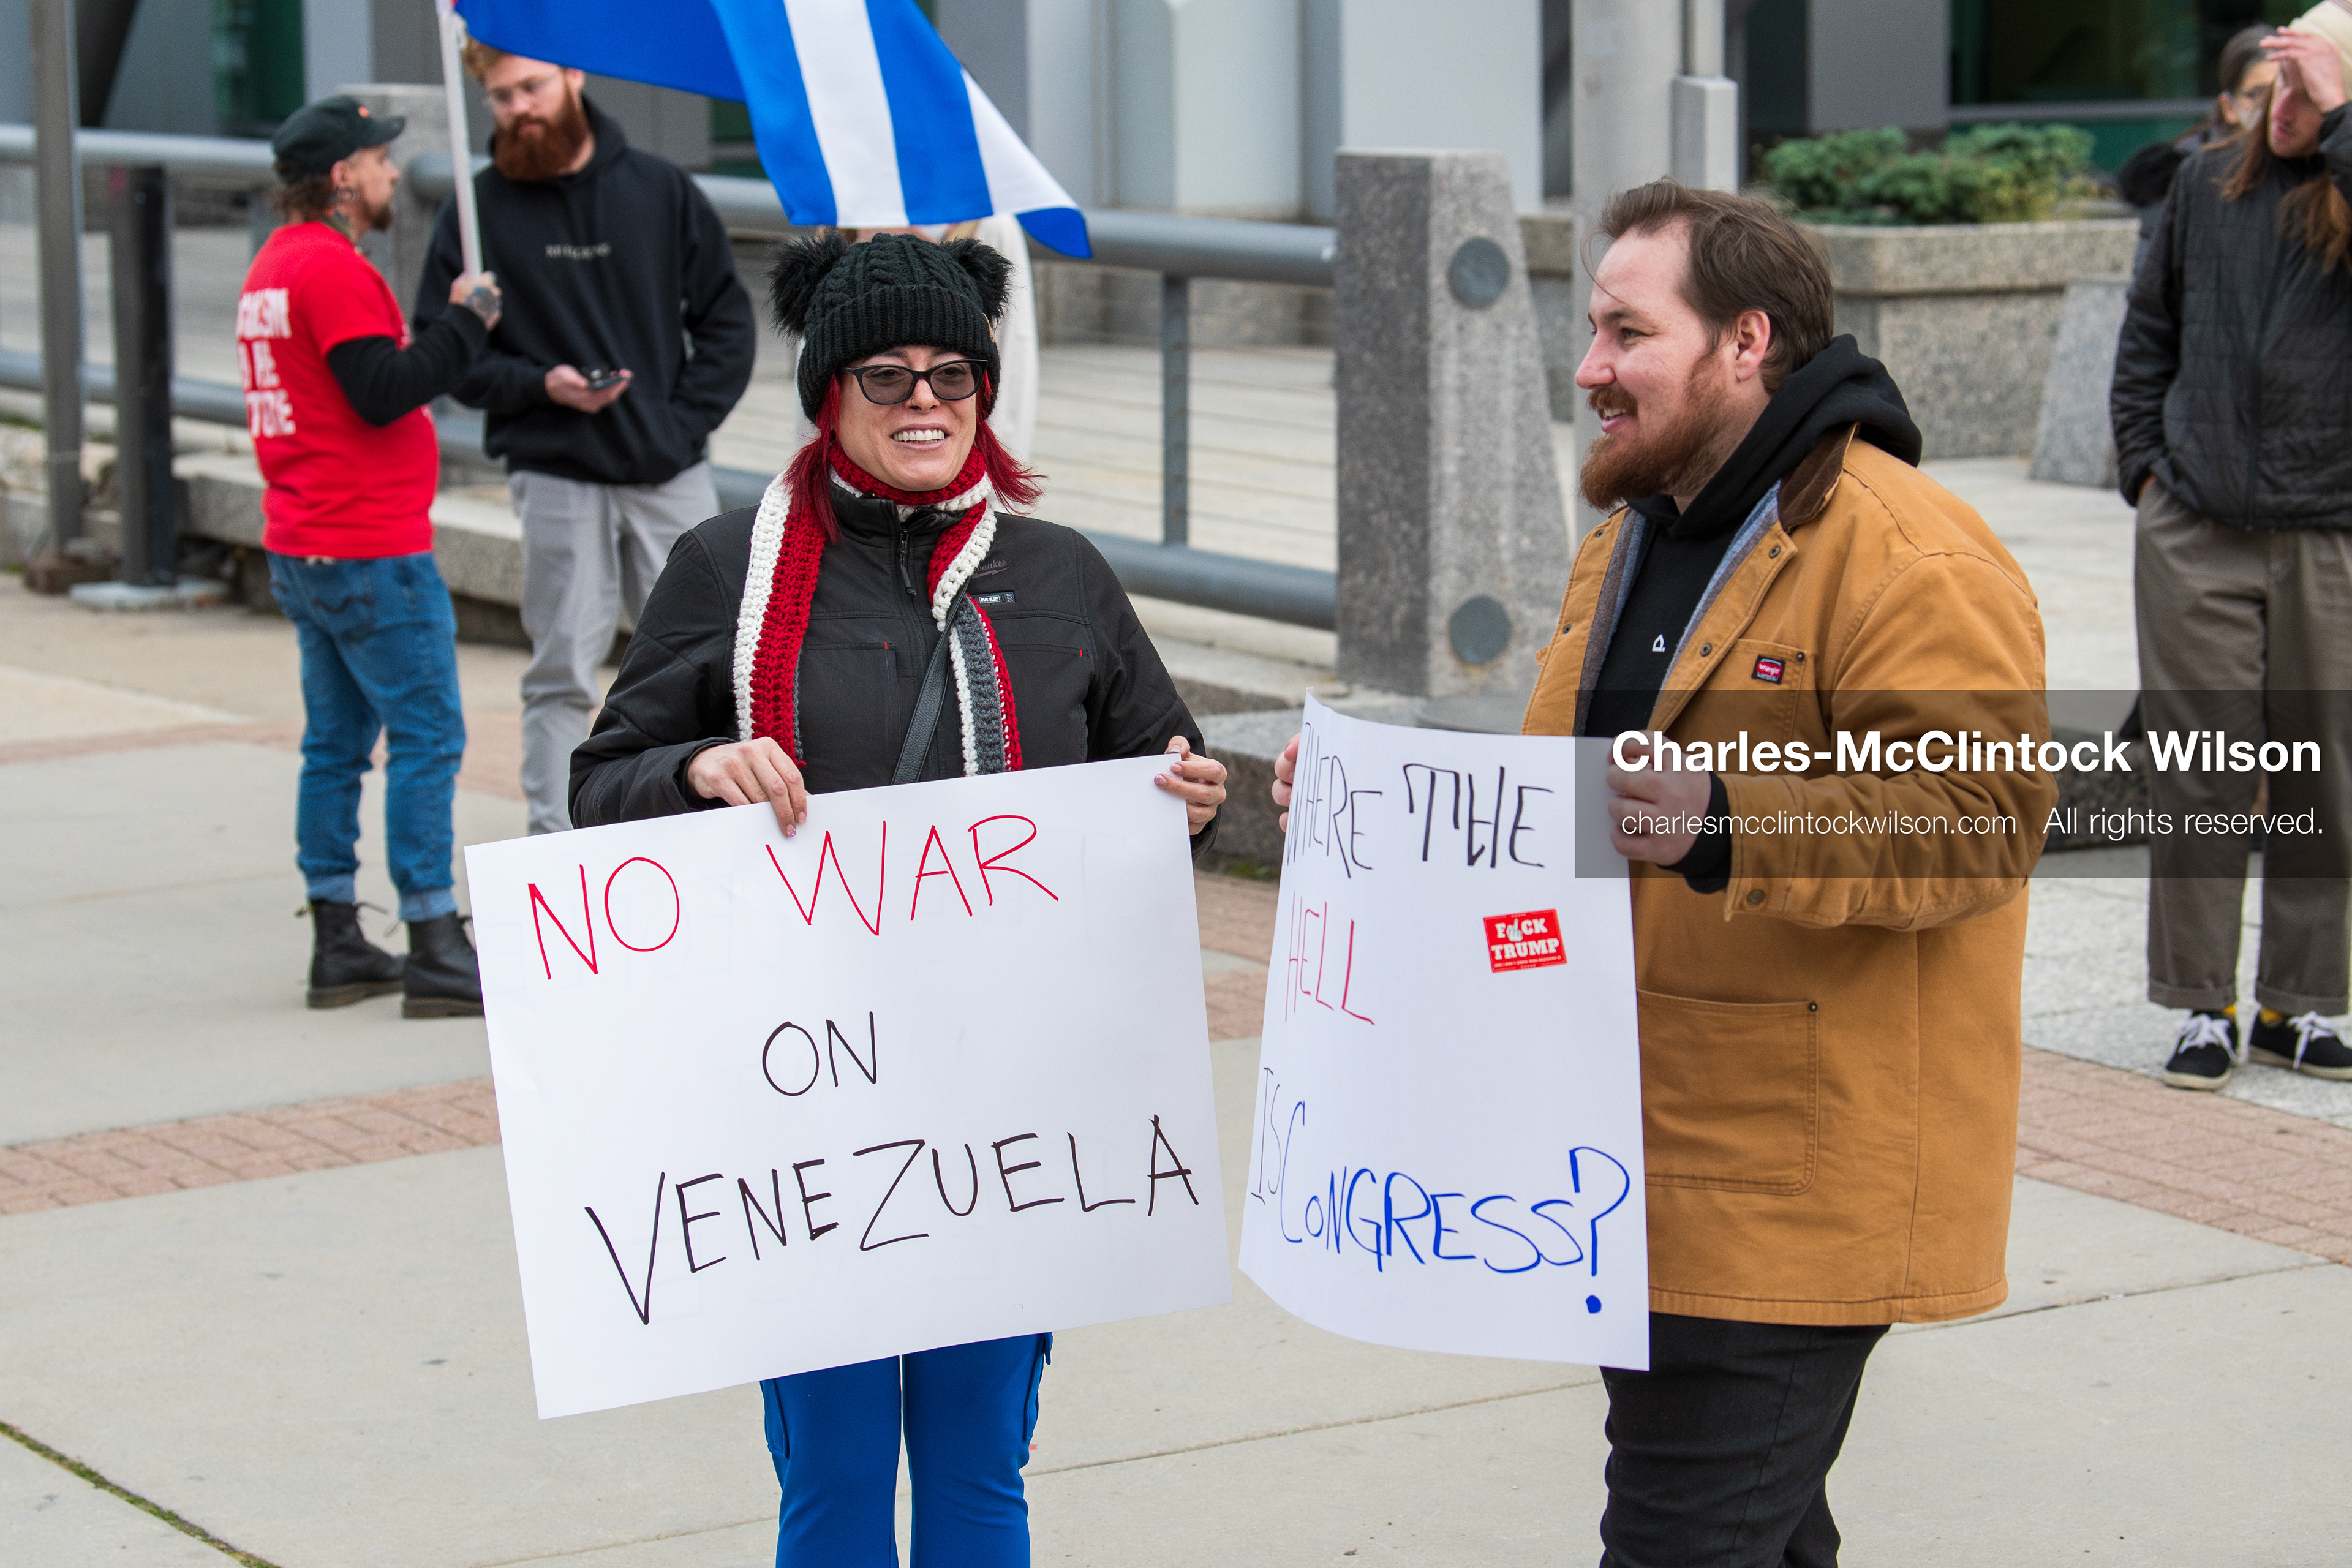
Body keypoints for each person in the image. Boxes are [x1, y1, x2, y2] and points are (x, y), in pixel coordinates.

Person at [1276, 182, 2054, 1566]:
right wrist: (1369, 821)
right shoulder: (1631, 535)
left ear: (1744, 340)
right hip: (1626, 1158)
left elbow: (1979, 810)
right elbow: (1568, 811)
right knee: (1752, 1534)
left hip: (1784, 1176)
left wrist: (1722, 819)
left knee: (1684, 1538)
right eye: (1591, 328)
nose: (1586, 369)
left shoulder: (1907, 548)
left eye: (1624, 331)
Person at [570, 232, 1227, 1565]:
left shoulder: (1060, 574)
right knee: (838, 1466)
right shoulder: (725, 569)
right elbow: (600, 785)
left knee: (983, 1459)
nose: (926, 402)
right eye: (888, 377)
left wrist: (1190, 803)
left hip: (1011, 1095)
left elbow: (1155, 777)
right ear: (828, 395)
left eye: (954, 377)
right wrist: (698, 764)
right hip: (804, 1102)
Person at [417, 40, 758, 835]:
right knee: (561, 672)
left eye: (532, 87)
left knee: (718, 666)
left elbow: (727, 324)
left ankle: (712, 829)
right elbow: (451, 357)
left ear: (573, 74)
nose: (520, 108)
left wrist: (680, 425)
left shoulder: (659, 189)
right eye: (502, 97)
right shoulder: (476, 212)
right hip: (554, 471)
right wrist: (541, 385)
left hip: (667, 472)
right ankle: (554, 847)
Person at [2111, 21, 2352, 1091]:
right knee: (2202, 771)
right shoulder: (2205, 189)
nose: (2283, 102)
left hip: (2330, 529)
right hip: (2195, 524)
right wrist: (2145, 471)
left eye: (2307, 85)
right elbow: (2146, 333)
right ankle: (2200, 1002)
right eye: (2274, 84)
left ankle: (2301, 1005)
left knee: (2326, 771)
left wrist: (2340, 124)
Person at [240, 96, 503, 1017]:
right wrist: (467, 323)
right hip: (368, 545)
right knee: (428, 738)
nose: (397, 172)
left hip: (305, 542)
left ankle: (337, 937)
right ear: (345, 176)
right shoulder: (331, 270)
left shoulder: (273, 266)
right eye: (384, 160)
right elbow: (382, 391)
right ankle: (433, 936)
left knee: (336, 746)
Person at [2116, 24, 2279, 270]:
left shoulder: (2316, 172)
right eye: (2257, 95)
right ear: (2229, 107)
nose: (2272, 107)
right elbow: (2151, 292)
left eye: (2283, 91)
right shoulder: (2181, 180)